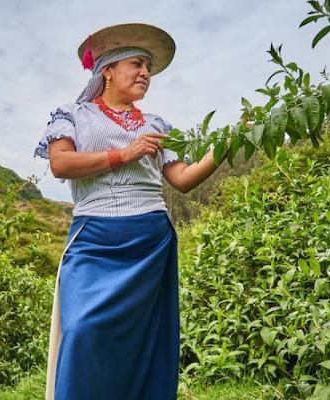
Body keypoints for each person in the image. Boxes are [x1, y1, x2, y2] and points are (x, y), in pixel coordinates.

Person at [34, 23, 229, 400]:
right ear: (107, 69)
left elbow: (183, 179)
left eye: (149, 69)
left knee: (145, 342)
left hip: (149, 240)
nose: (145, 74)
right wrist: (124, 154)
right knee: (83, 330)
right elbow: (60, 164)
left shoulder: (157, 125)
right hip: (94, 238)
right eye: (137, 64)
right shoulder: (72, 115)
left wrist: (226, 146)